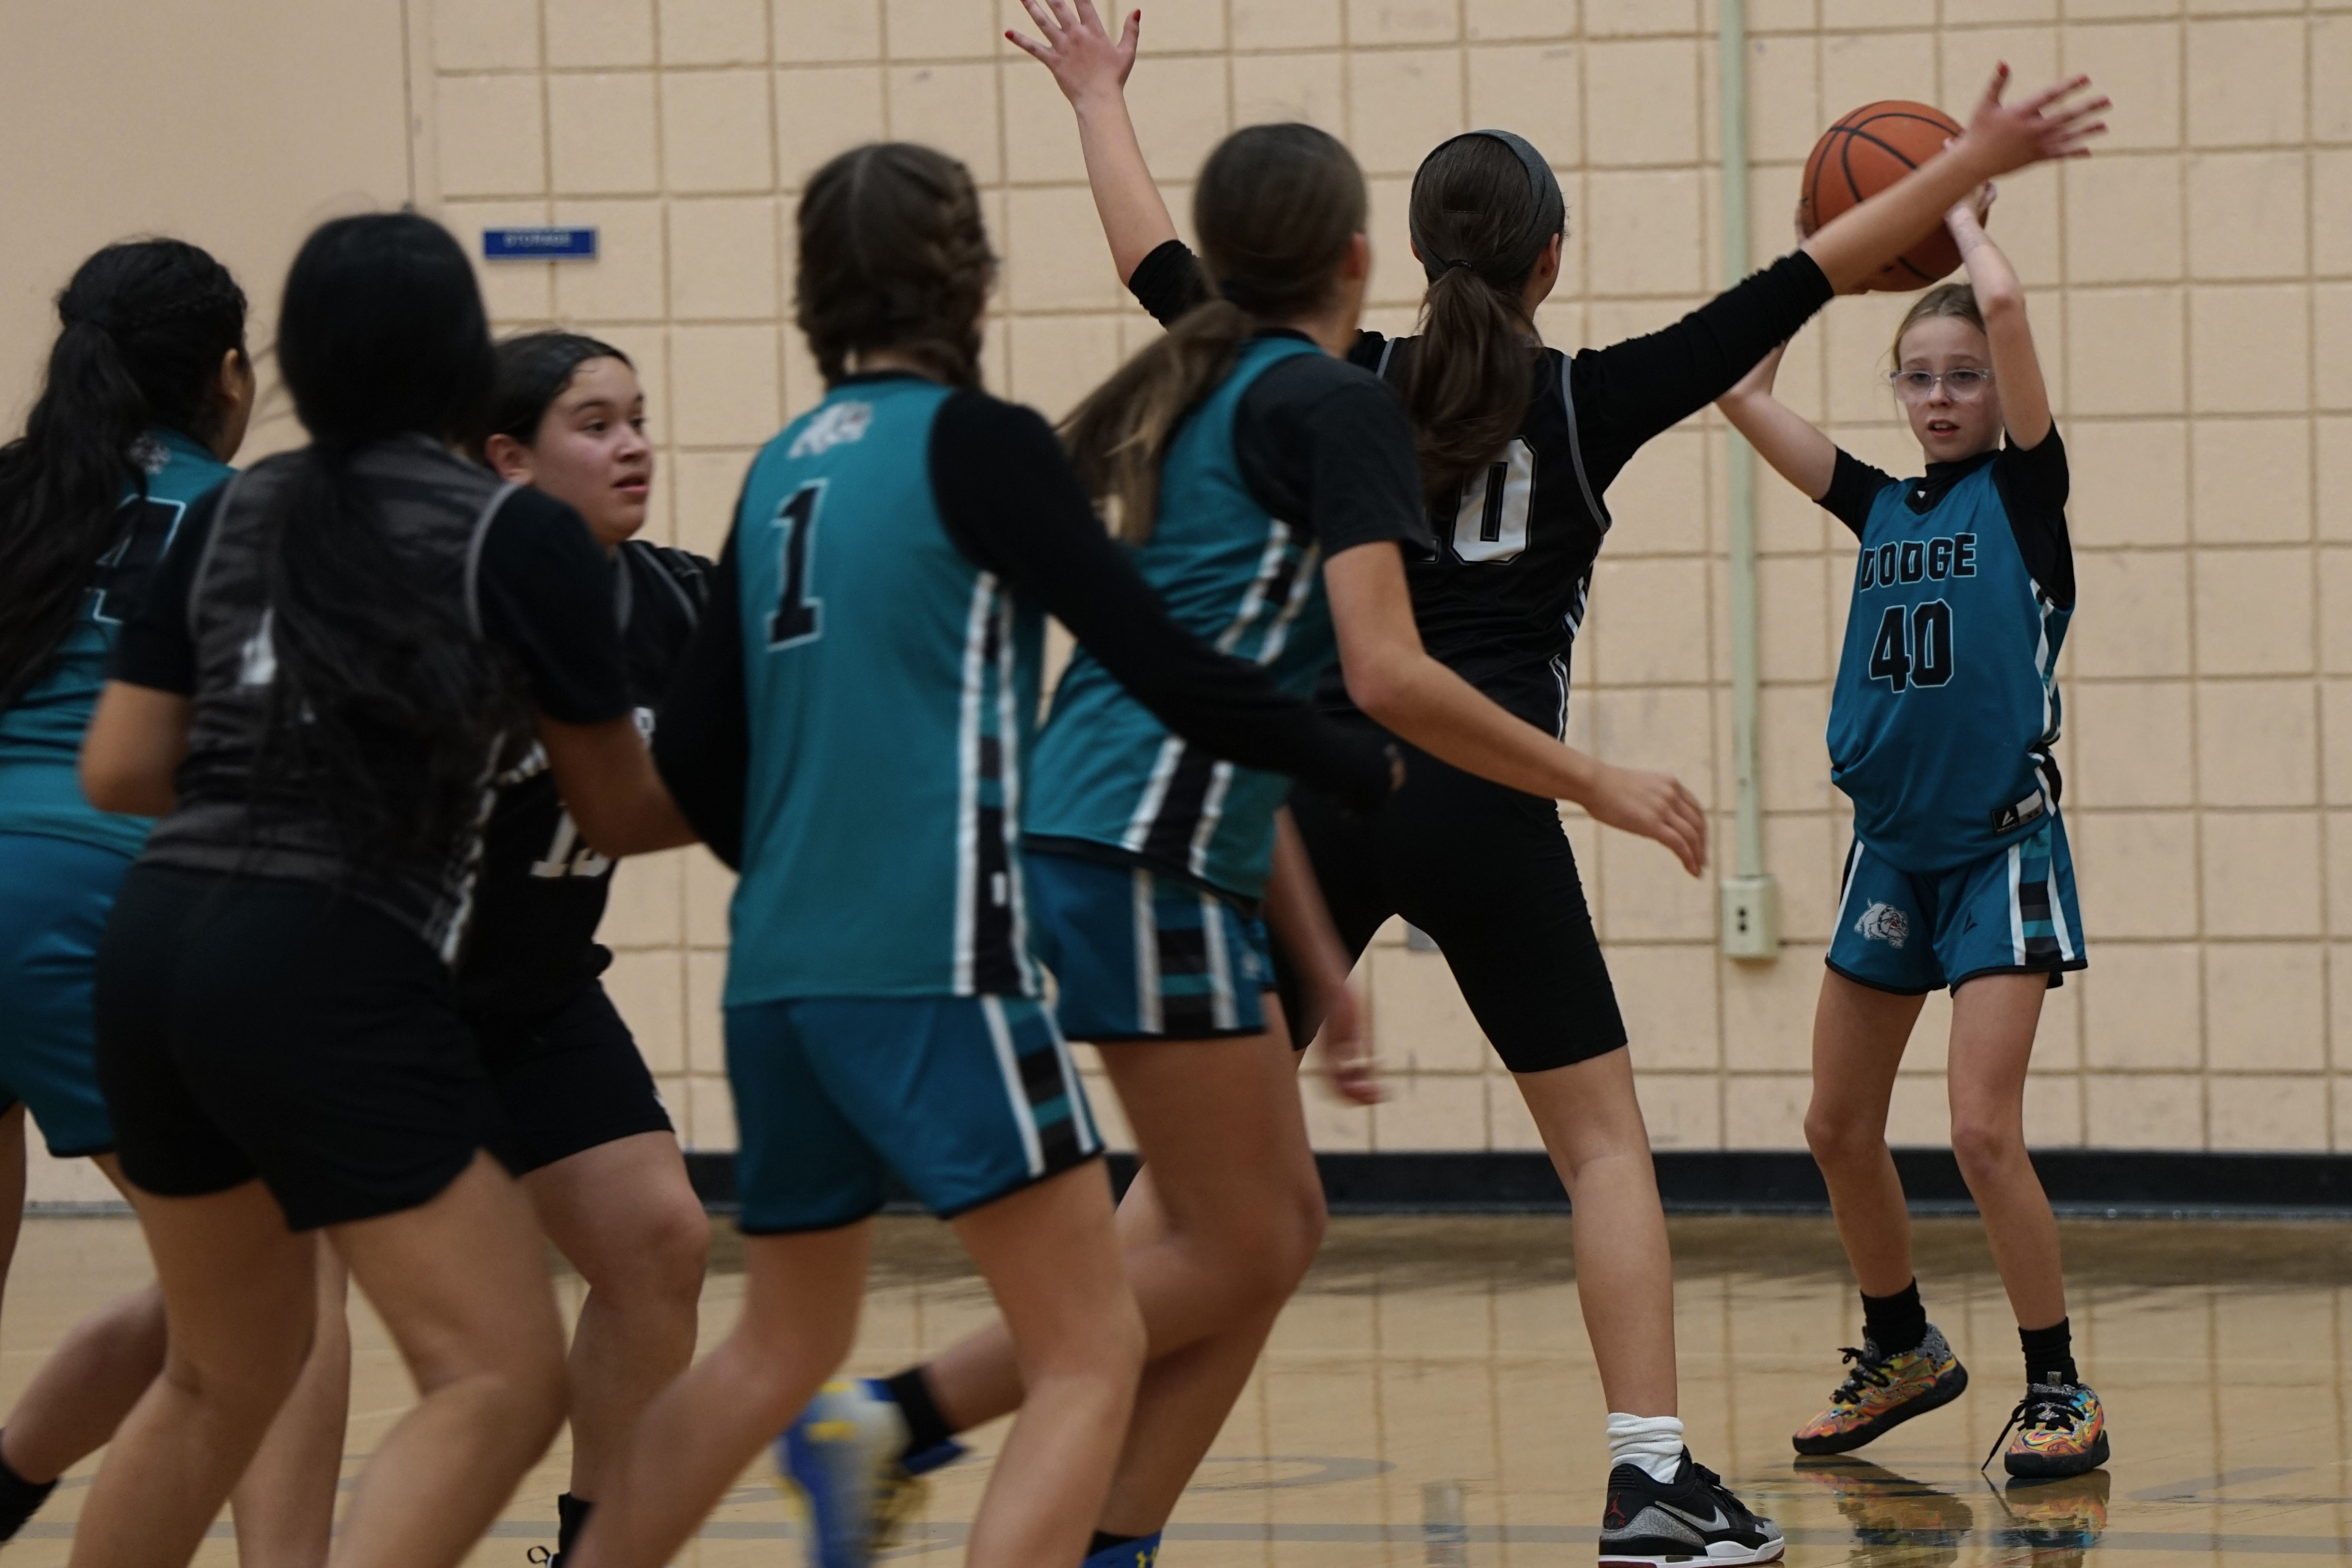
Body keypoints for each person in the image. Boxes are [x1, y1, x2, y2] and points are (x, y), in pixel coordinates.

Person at [790, 9, 2113, 1566]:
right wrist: (1968, 163)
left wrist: (1099, 98)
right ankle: (1649, 1479)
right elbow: (1801, 279)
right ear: (1553, 258)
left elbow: (1158, 263)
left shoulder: (1318, 372)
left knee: (1193, 1209)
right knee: (1604, 1151)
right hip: (1489, 793)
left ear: (1394, 257)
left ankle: (1039, 1463)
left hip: (1311, 803)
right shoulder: (1583, 398)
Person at [564, 139, 1406, 1568]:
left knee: (778, 1345)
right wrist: (1343, 754)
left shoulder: (778, 467)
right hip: (938, 956)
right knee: (1084, 1346)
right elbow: (1156, 659)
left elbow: (699, 765)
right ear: (973, 279)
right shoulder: (977, 440)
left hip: (774, 970)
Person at [75, 211, 694, 1568]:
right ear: (458, 358)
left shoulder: (233, 507)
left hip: (157, 951)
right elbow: (614, 809)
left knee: (211, 1375)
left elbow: (119, 768)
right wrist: (750, 789)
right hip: (332, 961)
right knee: (498, 1376)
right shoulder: (508, 536)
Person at [1715, 190, 2106, 1480]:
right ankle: (1902, 1346)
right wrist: (1824, 264)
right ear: (1896, 389)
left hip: (1999, 848)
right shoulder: (1880, 505)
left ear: (1999, 392)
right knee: (1834, 1123)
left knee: (1980, 1128)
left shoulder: (2027, 494)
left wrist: (1948, 211)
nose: (1942, 396)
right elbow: (1738, 392)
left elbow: (1998, 301)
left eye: (1964, 380)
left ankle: (2058, 1387)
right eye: (1920, 378)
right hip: (1889, 850)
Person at [0, 238, 350, 1564]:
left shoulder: (13, 495)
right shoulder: (247, 512)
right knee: (278, 1285)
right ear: (227, 373)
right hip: (94, 902)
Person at [471, 332, 714, 1564]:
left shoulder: (676, 596)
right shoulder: (453, 602)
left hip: (539, 994)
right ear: (507, 459)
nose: (632, 445)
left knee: (661, 1241)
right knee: (273, 1328)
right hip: (379, 1001)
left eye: (637, 418)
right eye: (595, 422)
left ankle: (595, 1551)